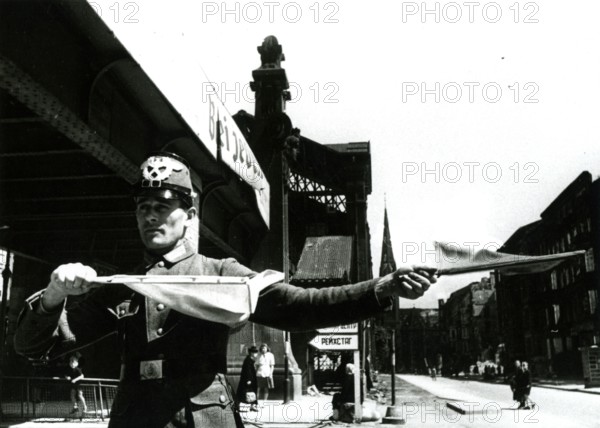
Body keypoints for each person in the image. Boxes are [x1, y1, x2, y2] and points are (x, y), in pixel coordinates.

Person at [14, 152, 437, 428]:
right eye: (143, 208)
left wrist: (381, 287)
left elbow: (300, 307)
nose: (150, 217)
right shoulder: (123, 286)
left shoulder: (221, 274)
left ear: (190, 214)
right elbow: (34, 348)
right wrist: (52, 297)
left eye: (163, 207)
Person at [236, 346, 259, 412]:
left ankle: (253, 406)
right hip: (248, 380)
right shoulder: (248, 360)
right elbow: (247, 371)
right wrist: (248, 379)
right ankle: (237, 405)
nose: (256, 354)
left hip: (251, 380)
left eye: (256, 352)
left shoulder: (251, 360)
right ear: (251, 353)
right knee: (243, 392)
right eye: (254, 352)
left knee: (251, 392)